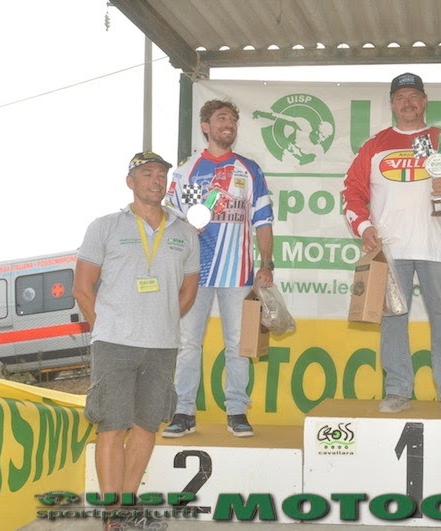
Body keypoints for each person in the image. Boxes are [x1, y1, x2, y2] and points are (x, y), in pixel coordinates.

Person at [342, 73, 441, 415]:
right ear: (392, 104)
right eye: (401, 97)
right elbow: (351, 192)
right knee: (393, 319)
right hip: (391, 248)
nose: (408, 103)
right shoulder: (375, 145)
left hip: (438, 246)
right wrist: (364, 227)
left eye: (414, 96)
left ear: (425, 101)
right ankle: (397, 389)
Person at [73, 151, 199, 530]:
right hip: (114, 344)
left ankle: (126, 511)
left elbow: (188, 292)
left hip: (162, 346)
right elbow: (82, 289)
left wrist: (160, 323)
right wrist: (109, 327)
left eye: (161, 174)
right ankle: (111, 516)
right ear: (130, 182)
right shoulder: (105, 227)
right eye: (146, 174)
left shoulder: (184, 232)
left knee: (146, 426)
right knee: (111, 427)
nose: (155, 181)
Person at [163, 99, 275, 438]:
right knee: (188, 343)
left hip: (237, 272)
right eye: (221, 118)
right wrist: (187, 229)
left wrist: (267, 263)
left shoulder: (249, 169)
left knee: (239, 343)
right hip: (193, 271)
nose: (229, 124)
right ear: (205, 126)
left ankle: (237, 411)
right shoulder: (187, 170)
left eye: (233, 119)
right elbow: (172, 219)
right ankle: (183, 412)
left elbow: (263, 220)